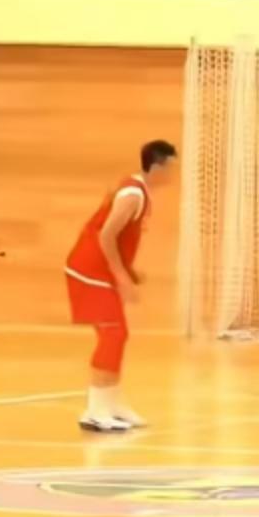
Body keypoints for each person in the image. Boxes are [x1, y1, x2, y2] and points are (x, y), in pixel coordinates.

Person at [64, 140, 178, 432]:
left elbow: (119, 239)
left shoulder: (141, 192)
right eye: (170, 168)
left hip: (101, 270)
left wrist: (129, 271)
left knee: (116, 334)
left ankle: (112, 404)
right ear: (157, 167)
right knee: (113, 333)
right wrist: (122, 276)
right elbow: (106, 236)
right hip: (88, 269)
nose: (173, 174)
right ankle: (95, 410)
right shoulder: (132, 195)